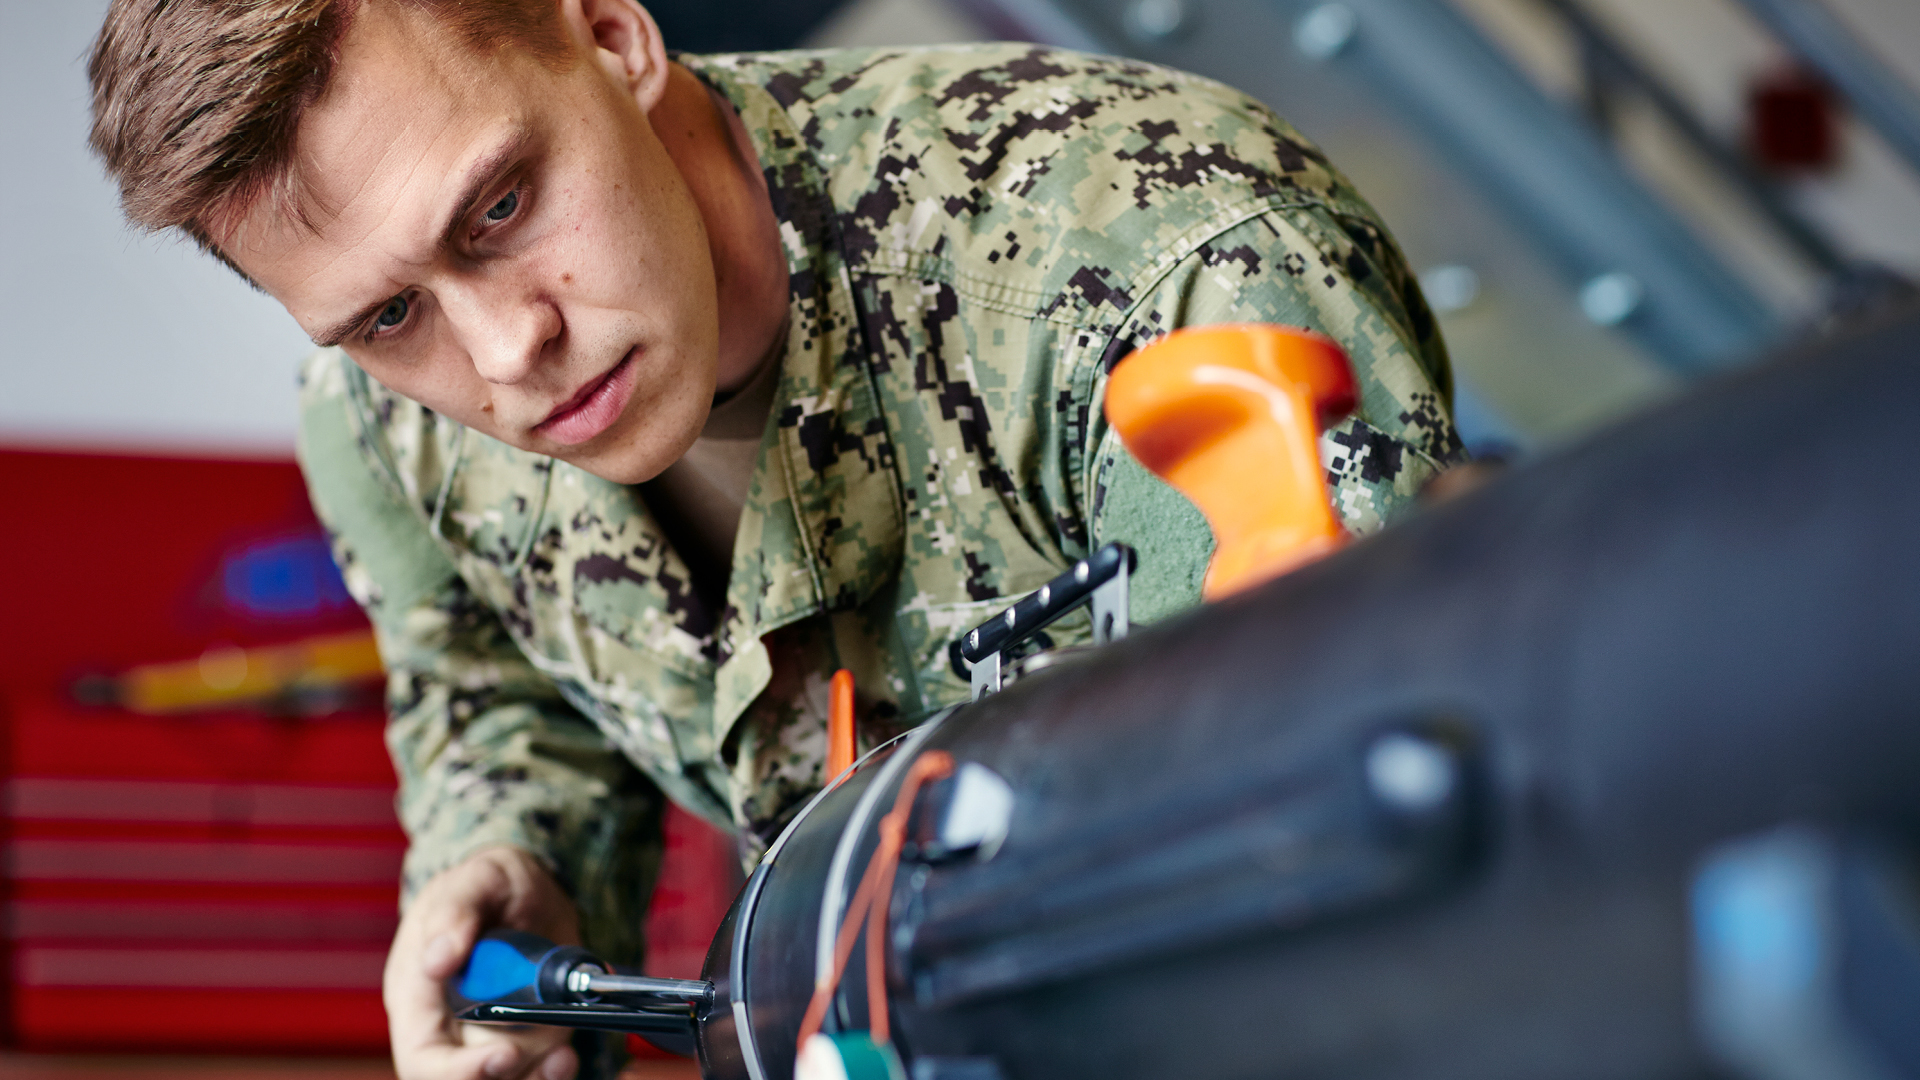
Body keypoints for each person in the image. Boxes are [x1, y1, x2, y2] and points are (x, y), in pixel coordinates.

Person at [87, 0, 1462, 1075]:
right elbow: (494, 682)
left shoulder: (1157, 270)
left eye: (501, 208)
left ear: (614, 39)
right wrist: (511, 857)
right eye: (390, 316)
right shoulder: (384, 426)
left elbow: (1324, 887)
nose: (507, 352)